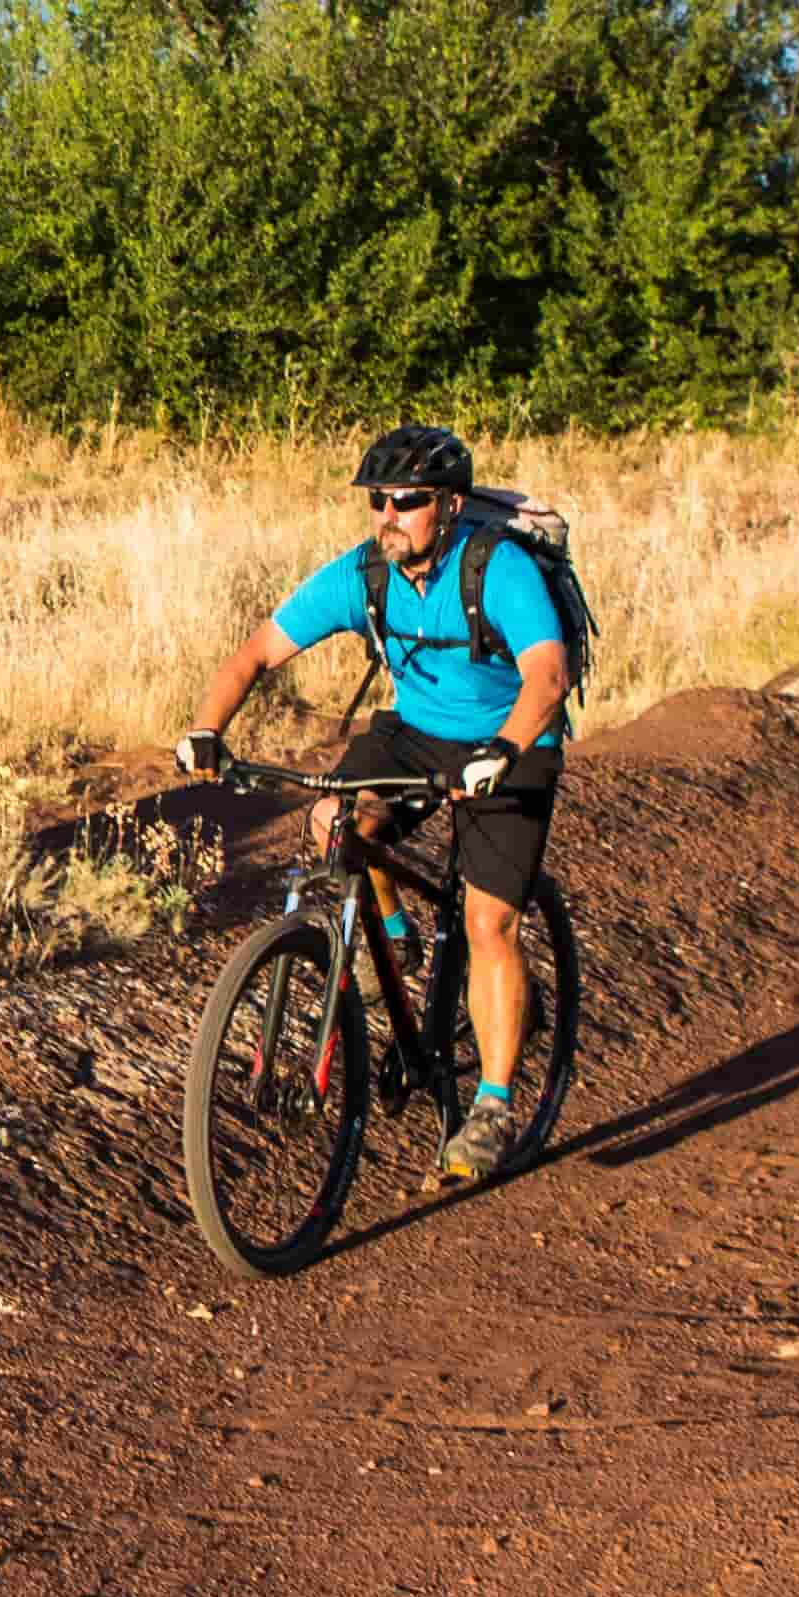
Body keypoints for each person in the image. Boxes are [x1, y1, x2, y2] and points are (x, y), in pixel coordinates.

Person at [174, 423, 572, 1187]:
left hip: (512, 739)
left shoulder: (499, 570)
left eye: (407, 501)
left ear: (449, 505)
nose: (388, 514)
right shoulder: (362, 575)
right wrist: (205, 729)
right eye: (377, 501)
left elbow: (546, 679)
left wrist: (506, 752)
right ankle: (394, 940)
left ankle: (491, 1105)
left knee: (490, 922)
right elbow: (254, 653)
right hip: (414, 733)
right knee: (333, 821)